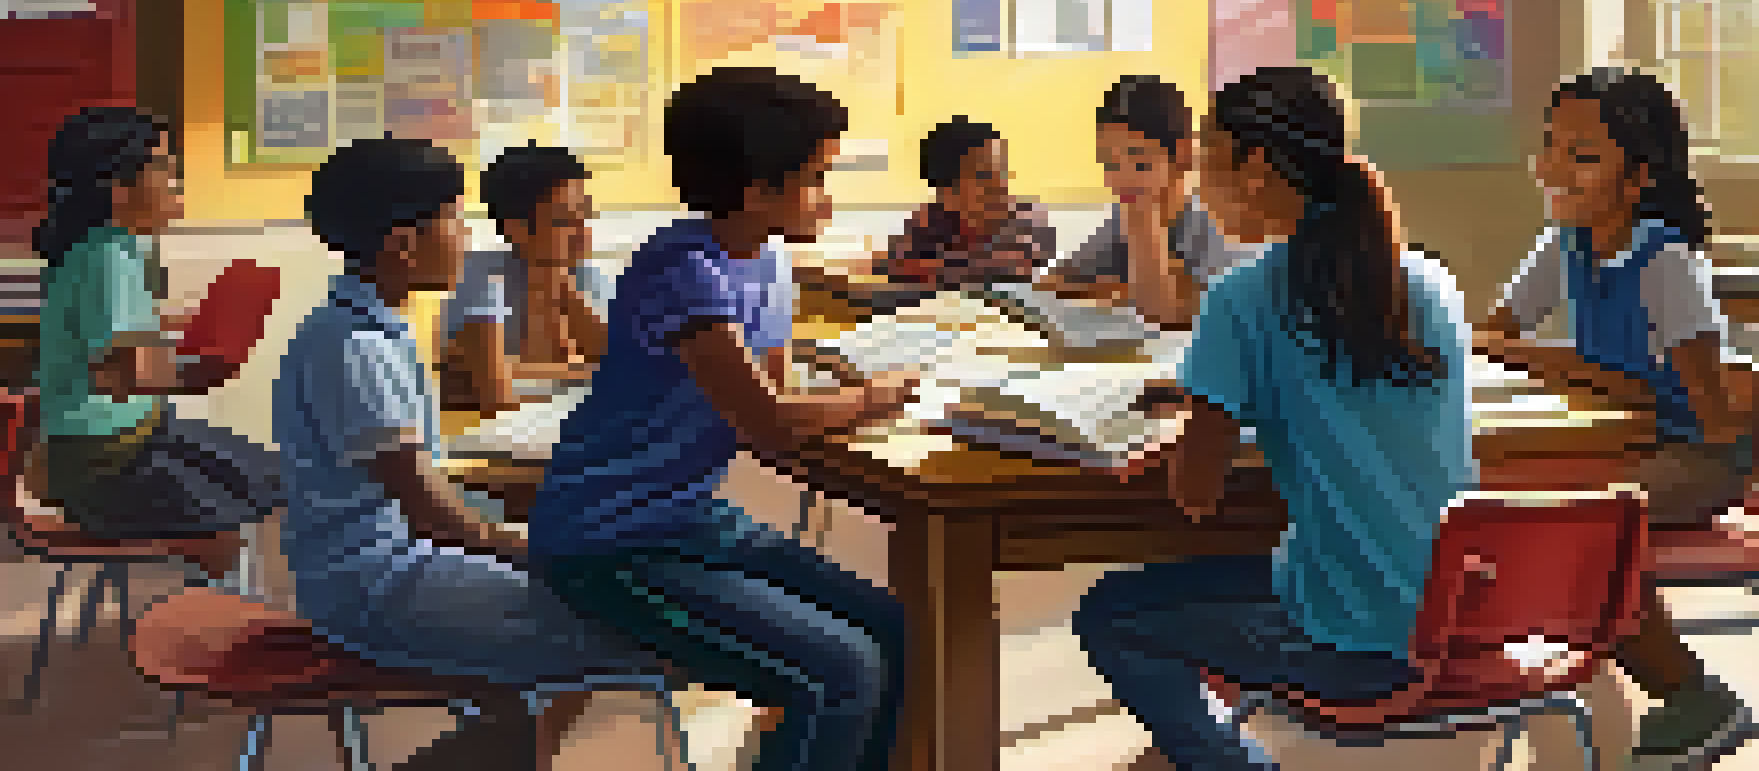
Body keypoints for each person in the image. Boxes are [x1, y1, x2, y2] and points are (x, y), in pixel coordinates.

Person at [1072, 66, 1473, 771]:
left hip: (1346, 643)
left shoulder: (1242, 298)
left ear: (1255, 169)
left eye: (1209, 158)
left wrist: (1202, 415)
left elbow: (1194, 495)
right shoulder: (1431, 286)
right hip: (1455, 620)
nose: (1196, 176)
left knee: (1110, 613)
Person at [531, 67, 912, 771]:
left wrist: (838, 395)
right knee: (842, 671)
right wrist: (868, 400)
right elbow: (765, 422)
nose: (828, 202)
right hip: (609, 540)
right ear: (756, 190)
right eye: (817, 179)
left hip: (686, 518)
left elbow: (770, 389)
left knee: (898, 628)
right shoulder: (681, 269)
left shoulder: (767, 260)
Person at [275, 137, 663, 771]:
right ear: (404, 244)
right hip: (375, 584)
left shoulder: (373, 324)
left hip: (399, 561)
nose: (465, 234)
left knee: (608, 592)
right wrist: (554, 547)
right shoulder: (355, 347)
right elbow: (436, 520)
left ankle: (503, 739)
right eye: (456, 218)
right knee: (630, 622)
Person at [1474, 67, 1759, 771]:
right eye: (1549, 145)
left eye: (1582, 154)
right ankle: (1552, 682)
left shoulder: (1666, 262)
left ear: (1638, 180)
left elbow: (1710, 414)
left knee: (1579, 534)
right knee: (1513, 505)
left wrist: (1557, 364)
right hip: (1626, 442)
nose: (1550, 168)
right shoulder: (1564, 242)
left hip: (1700, 458)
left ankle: (1699, 697)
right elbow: (1498, 332)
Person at [31, 106, 280, 584]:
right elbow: (122, 373)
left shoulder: (114, 248)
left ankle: (232, 613)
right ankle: (227, 630)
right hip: (105, 464)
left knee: (266, 476)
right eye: (163, 166)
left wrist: (186, 341)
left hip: (128, 441)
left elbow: (121, 352)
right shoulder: (106, 258)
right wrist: (210, 364)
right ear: (119, 187)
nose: (175, 179)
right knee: (237, 511)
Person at [1037, 74, 1255, 327]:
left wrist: (1116, 290)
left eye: (1140, 161)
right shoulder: (1123, 219)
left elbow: (1173, 311)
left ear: (1182, 155)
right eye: (1110, 164)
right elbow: (1054, 282)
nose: (1121, 180)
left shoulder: (1217, 228)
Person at [438, 142, 613, 418]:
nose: (583, 232)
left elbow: (621, 368)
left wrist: (561, 283)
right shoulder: (478, 276)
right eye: (564, 221)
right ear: (516, 229)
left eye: (585, 214)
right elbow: (495, 395)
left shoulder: (587, 275)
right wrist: (581, 372)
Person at [868, 116, 1055, 291]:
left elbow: (1020, 265)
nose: (1000, 185)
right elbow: (892, 264)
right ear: (946, 192)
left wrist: (934, 268)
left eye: (1002, 172)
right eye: (983, 176)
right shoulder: (928, 223)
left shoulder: (1026, 221)